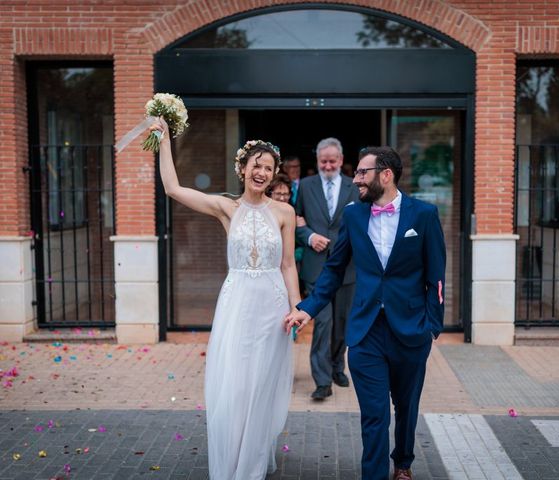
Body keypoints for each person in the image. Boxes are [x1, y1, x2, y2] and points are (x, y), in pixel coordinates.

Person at [151, 118, 300, 480]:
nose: (261, 172)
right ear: (243, 168)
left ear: (274, 173)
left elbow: (288, 264)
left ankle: (250, 464)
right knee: (235, 385)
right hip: (236, 303)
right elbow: (172, 188)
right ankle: (232, 456)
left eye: (268, 167)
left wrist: (297, 306)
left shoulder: (285, 212)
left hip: (272, 307)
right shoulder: (225, 208)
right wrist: (165, 141)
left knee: (260, 385)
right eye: (256, 165)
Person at [285, 146, 446, 480]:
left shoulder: (424, 215)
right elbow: (333, 268)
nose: (355, 178)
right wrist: (307, 308)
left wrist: (432, 325)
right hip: (366, 331)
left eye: (362, 172)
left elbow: (437, 276)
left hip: (411, 330)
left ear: (385, 175)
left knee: (406, 408)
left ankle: (403, 462)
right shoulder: (354, 215)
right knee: (374, 415)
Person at [295, 137, 360, 400]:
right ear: (318, 161)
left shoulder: (354, 187)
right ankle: (322, 382)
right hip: (316, 268)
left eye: (333, 161)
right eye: (323, 161)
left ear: (341, 161)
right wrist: (310, 236)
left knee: (342, 325)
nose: (328, 165)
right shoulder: (306, 186)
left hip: (348, 268)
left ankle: (336, 366)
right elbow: (296, 220)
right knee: (323, 323)